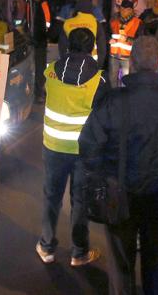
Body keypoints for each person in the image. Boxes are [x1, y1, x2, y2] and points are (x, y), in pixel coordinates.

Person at [80, 36, 158, 295]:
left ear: (131, 63)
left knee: (121, 262)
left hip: (119, 191)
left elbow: (89, 145)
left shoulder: (112, 101)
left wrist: (100, 176)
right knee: (156, 258)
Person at [36, 28, 107, 267]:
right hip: (83, 151)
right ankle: (79, 252)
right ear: (92, 48)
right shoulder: (99, 80)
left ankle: (46, 247)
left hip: (54, 146)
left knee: (51, 196)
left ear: (68, 45)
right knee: (80, 201)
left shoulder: (50, 71)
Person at [58, 0, 107, 69]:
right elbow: (102, 46)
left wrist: (64, 61)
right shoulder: (96, 23)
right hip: (91, 63)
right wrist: (99, 65)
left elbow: (62, 46)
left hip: (71, 62)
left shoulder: (67, 23)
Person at [109, 0, 143, 86]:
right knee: (112, 79)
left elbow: (140, 40)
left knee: (127, 80)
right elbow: (108, 34)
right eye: (122, 9)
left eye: (126, 9)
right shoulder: (114, 22)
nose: (123, 11)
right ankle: (113, 96)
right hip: (114, 55)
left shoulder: (138, 23)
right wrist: (109, 39)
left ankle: (125, 97)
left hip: (128, 57)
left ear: (131, 11)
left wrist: (127, 39)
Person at [32, 0, 51, 103]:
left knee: (40, 69)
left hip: (39, 43)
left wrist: (44, 37)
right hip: (28, 42)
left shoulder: (44, 5)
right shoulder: (27, 3)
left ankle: (39, 93)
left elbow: (48, 24)